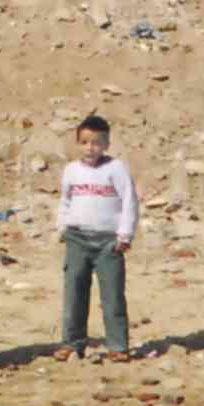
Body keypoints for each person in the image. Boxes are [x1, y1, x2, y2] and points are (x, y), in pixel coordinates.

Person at [55, 113, 139, 361]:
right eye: (85, 142)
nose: (91, 148)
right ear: (78, 143)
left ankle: (118, 346)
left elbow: (129, 202)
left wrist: (125, 234)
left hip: (108, 242)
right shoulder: (71, 170)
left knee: (112, 295)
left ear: (106, 144)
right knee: (74, 294)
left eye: (97, 142)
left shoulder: (116, 169)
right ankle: (72, 343)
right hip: (77, 239)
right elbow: (65, 200)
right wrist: (63, 227)